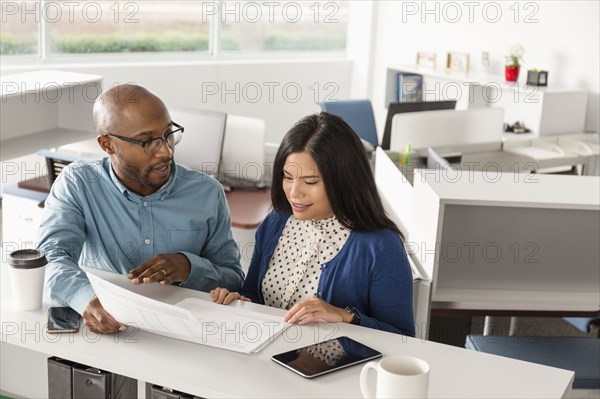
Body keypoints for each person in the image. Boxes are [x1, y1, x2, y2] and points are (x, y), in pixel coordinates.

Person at [38, 84, 243, 334]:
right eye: (147, 142)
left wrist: (190, 267)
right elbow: (51, 257)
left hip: (183, 335)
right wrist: (86, 299)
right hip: (111, 334)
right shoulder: (78, 184)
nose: (166, 151)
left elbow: (233, 277)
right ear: (107, 145)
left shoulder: (208, 192)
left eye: (169, 134)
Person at [211, 112, 415, 336]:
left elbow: (402, 336)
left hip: (331, 369)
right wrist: (238, 299)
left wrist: (346, 316)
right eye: (288, 177)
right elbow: (255, 296)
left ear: (344, 180)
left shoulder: (381, 246)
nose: (294, 192)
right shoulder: (275, 222)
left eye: (310, 181)